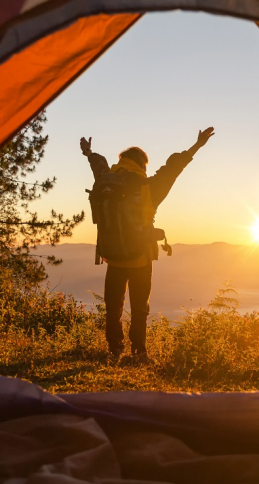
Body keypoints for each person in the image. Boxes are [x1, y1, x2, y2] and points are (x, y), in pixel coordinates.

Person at [80, 127, 215, 363]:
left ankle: (114, 349)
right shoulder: (150, 187)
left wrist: (88, 152)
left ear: (122, 162)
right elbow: (174, 167)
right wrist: (197, 146)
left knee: (113, 306)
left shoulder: (105, 181)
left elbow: (98, 164)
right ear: (142, 164)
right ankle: (139, 352)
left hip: (111, 256)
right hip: (140, 258)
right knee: (139, 308)